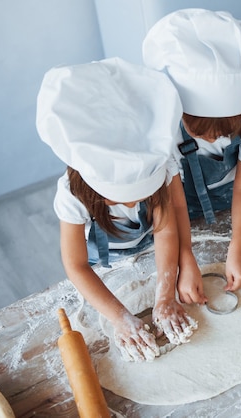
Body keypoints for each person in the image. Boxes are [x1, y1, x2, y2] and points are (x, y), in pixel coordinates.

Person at [36, 57, 198, 362]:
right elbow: (76, 266)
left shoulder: (159, 165)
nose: (132, 206)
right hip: (105, 267)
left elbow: (165, 230)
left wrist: (164, 297)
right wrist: (119, 317)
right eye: (116, 201)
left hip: (149, 251)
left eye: (141, 196)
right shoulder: (72, 195)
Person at [142, 9, 241, 301]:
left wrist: (237, 248)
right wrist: (185, 259)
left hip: (231, 201)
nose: (213, 139)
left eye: (223, 132)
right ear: (182, 110)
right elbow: (174, 201)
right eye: (201, 132)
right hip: (182, 209)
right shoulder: (166, 127)